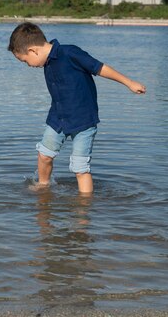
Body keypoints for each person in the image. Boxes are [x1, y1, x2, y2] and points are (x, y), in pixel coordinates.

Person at [8, 22, 146, 193]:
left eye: (25, 61)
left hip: (83, 120)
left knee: (80, 168)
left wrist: (129, 83)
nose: (28, 65)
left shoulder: (70, 53)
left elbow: (100, 68)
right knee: (44, 155)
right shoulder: (47, 62)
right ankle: (43, 187)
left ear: (33, 51)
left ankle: (84, 206)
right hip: (58, 118)